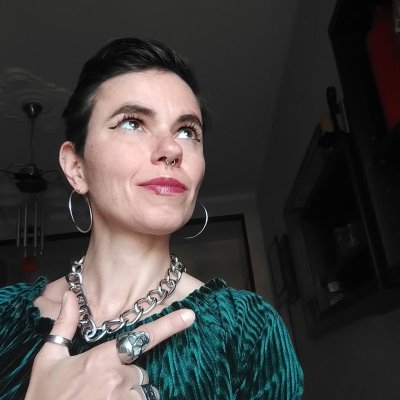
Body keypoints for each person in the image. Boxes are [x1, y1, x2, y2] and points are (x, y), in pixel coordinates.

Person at [0, 38, 303, 399]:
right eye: (132, 122)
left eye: (187, 131)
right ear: (76, 167)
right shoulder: (4, 315)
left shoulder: (250, 330)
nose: (172, 149)